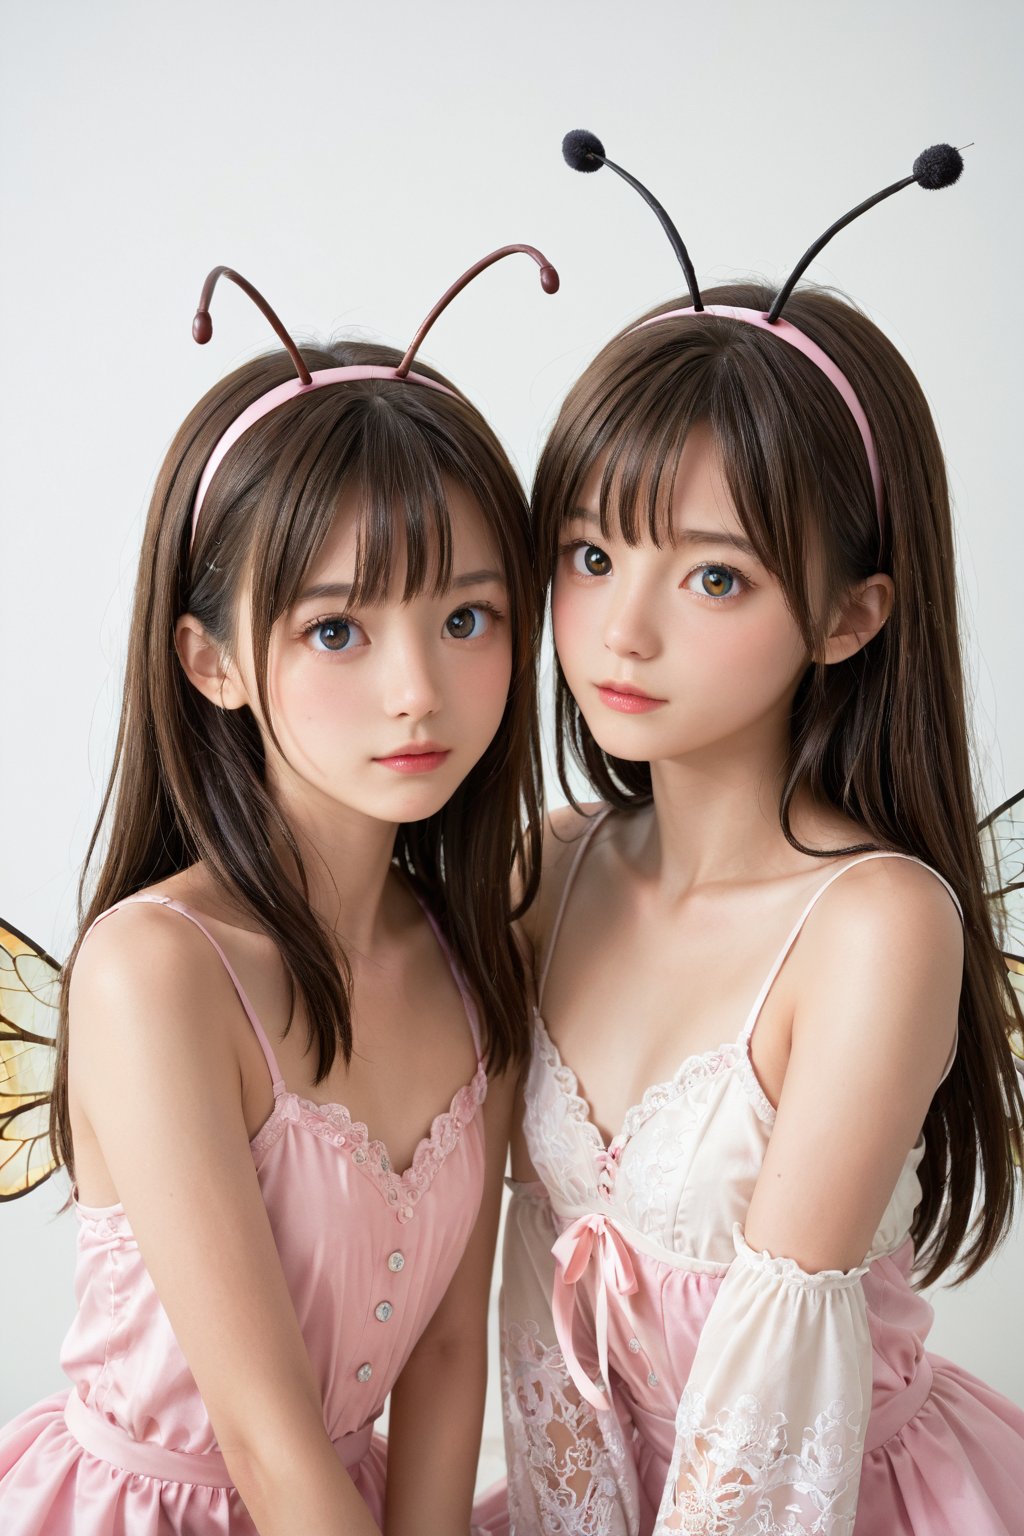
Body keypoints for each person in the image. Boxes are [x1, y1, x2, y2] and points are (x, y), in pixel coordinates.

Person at [491, 139, 1024, 1535]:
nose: (625, 627)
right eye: (594, 555)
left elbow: (771, 1412)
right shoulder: (550, 871)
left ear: (850, 616)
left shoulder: (874, 925)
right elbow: (522, 1292)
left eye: (714, 573)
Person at [0, 249, 554, 1536]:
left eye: (467, 618)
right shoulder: (160, 970)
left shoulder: (481, 962)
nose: (416, 687)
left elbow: (445, 1361)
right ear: (209, 662)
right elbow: (260, 1434)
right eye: (337, 630)